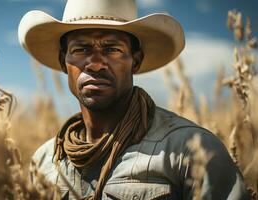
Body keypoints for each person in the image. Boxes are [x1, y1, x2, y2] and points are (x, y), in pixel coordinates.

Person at [18, 0, 249, 199]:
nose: (96, 63)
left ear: (135, 61)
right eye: (81, 49)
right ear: (63, 61)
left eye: (112, 49)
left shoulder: (190, 150)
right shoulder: (45, 162)